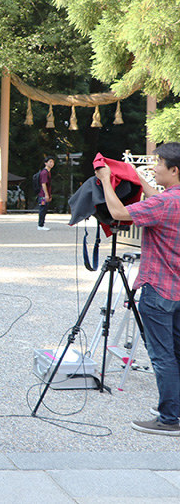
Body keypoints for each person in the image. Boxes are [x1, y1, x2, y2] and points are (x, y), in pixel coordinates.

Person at [95, 142, 180, 436]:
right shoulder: (171, 199)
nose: (154, 168)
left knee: (162, 355)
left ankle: (169, 419)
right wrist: (138, 176)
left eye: (159, 164)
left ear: (174, 170)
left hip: (158, 290)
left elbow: (118, 212)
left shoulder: (165, 203)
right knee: (177, 353)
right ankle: (175, 409)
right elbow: (159, 198)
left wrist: (106, 179)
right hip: (178, 291)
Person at [37, 156, 55, 230]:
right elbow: (43, 184)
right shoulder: (44, 173)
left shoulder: (48, 172)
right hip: (43, 196)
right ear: (45, 163)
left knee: (44, 209)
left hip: (44, 195)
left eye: (52, 162)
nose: (52, 163)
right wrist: (46, 195)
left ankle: (41, 224)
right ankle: (40, 225)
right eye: (50, 162)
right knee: (42, 209)